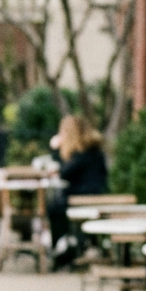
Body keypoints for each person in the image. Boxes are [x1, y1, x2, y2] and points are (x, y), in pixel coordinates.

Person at [48, 114, 108, 266]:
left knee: (54, 208)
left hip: (84, 197)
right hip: (96, 194)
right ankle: (72, 245)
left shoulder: (82, 153)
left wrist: (55, 150)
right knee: (56, 205)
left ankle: (63, 248)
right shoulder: (94, 150)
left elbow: (65, 173)